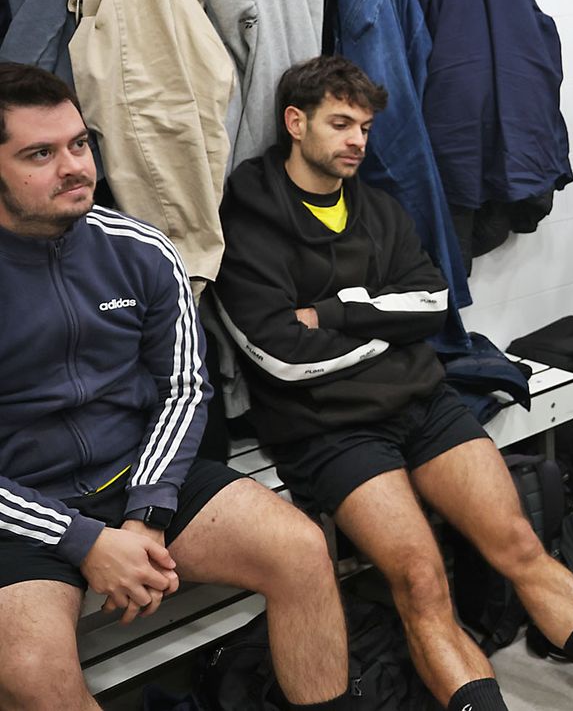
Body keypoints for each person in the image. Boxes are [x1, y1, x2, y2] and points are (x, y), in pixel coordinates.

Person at [213, 56, 573, 711]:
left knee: (519, 542)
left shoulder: (377, 208)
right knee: (421, 578)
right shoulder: (248, 222)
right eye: (340, 123)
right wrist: (387, 322)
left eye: (366, 127)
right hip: (330, 428)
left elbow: (433, 304)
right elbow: (279, 354)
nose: (356, 140)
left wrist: (338, 314)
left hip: (421, 402)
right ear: (295, 122)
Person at [0, 62, 352, 711]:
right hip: (20, 516)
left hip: (138, 481)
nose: (75, 166)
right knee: (32, 674)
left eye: (79, 143)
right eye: (39, 153)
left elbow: (186, 387)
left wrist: (147, 513)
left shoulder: (141, 248)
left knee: (301, 549)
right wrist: (85, 542)